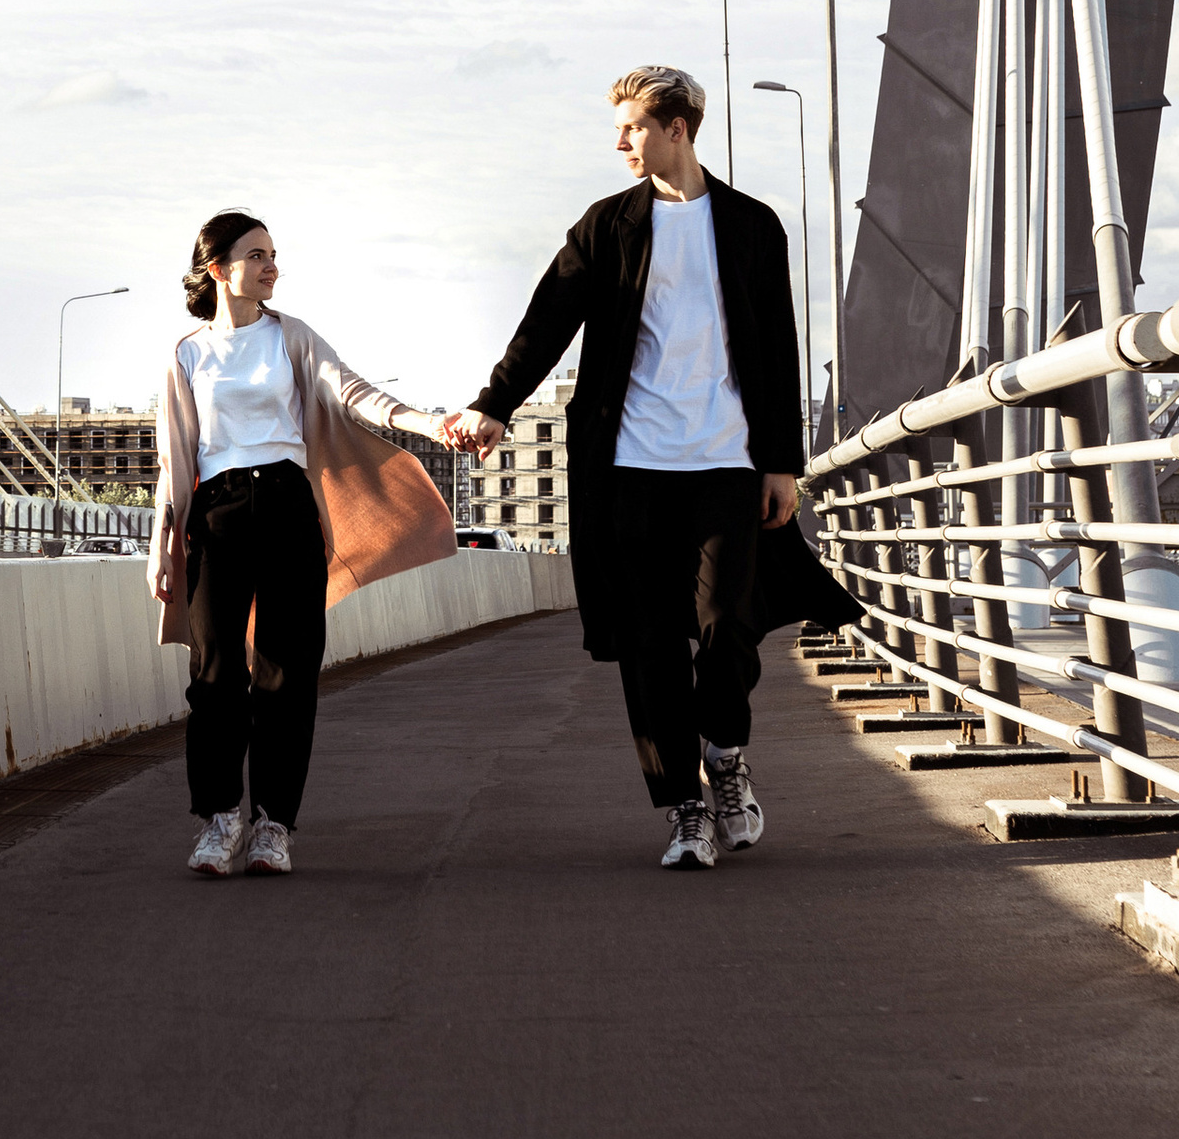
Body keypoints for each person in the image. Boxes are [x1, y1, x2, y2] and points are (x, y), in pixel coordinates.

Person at [445, 65, 804, 871]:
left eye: (633, 127)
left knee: (725, 631)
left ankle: (725, 753)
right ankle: (684, 810)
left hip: (725, 462)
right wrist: (493, 404)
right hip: (630, 466)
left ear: (677, 128)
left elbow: (779, 347)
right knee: (647, 643)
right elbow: (548, 320)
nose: (620, 142)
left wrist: (782, 461)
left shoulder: (752, 225)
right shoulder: (606, 226)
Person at [152, 212, 459, 879]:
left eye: (274, 256)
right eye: (257, 255)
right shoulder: (187, 353)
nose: (271, 267)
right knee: (214, 677)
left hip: (289, 508)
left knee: (286, 677)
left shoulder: (291, 338)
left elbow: (352, 394)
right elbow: (172, 456)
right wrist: (161, 542)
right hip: (217, 515)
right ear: (218, 268)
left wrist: (428, 423)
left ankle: (272, 826)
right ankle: (220, 818)